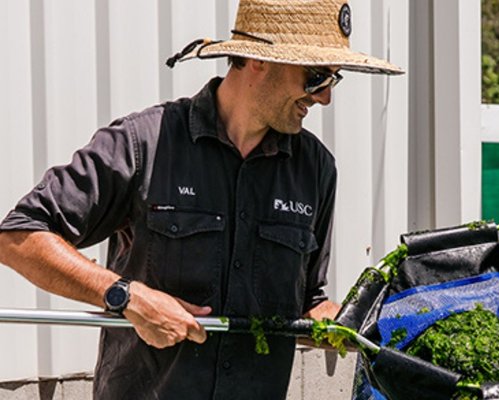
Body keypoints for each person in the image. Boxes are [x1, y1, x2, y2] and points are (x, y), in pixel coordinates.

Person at [0, 0, 403, 398]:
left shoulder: (315, 169)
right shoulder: (144, 144)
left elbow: (307, 303)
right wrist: (125, 295)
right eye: (316, 77)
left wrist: (352, 323)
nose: (324, 98)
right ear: (258, 60)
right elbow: (18, 236)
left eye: (334, 80)